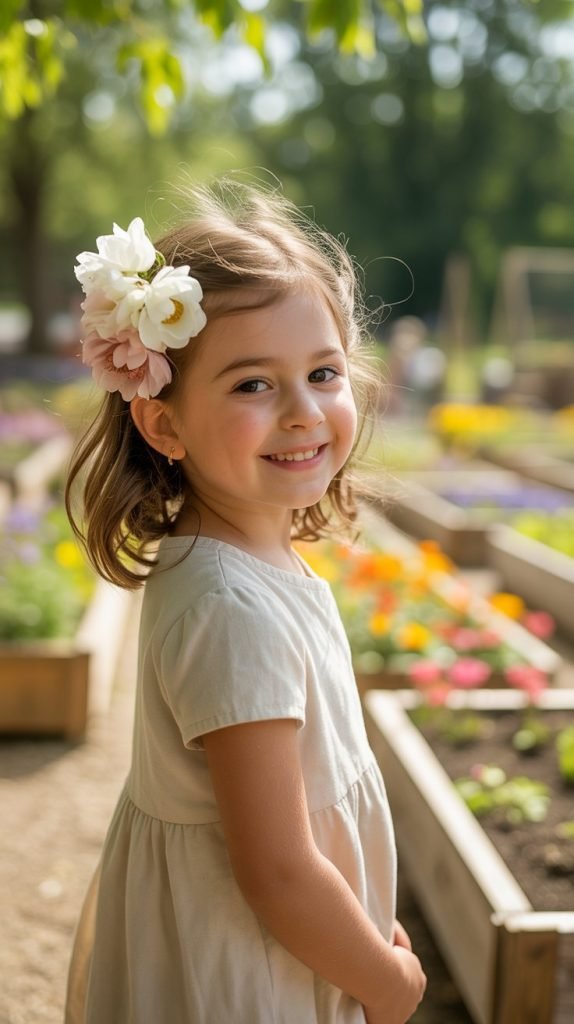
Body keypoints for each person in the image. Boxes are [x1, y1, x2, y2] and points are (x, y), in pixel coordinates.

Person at [64, 180, 426, 1024]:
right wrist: (386, 980)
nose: (303, 412)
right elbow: (277, 871)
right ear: (163, 425)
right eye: (252, 385)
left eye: (323, 372)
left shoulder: (249, 556)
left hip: (278, 936)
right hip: (247, 967)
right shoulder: (229, 609)